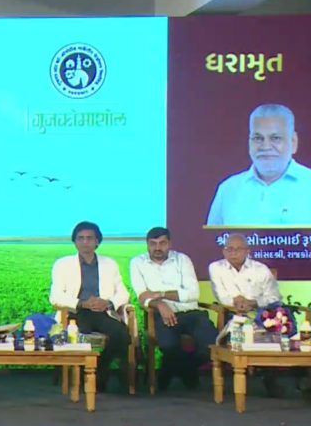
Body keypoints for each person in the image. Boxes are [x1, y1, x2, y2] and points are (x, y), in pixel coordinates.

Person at [129, 227, 217, 390]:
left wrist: (160, 294)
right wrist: (160, 304)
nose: (157, 248)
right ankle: (187, 374)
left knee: (212, 343)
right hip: (159, 314)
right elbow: (143, 296)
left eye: (162, 243)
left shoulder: (182, 260)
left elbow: (193, 294)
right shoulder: (137, 263)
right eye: (153, 243)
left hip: (191, 313)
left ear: (169, 243)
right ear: (147, 244)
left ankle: (172, 371)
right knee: (169, 346)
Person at [49, 221, 131, 393]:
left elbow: (123, 293)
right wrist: (82, 303)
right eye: (80, 238)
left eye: (89, 238)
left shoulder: (109, 264)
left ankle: (99, 371)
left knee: (121, 334)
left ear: (97, 241)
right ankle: (83, 376)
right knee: (82, 336)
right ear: (75, 241)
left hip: (102, 312)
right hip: (76, 313)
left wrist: (108, 303)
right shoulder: (62, 264)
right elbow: (55, 296)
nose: (85, 242)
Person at [208, 233, 292, 397]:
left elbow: (275, 297)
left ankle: (269, 379)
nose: (233, 253)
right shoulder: (216, 267)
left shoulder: (260, 269)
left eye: (238, 249)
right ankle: (237, 380)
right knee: (236, 328)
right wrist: (237, 302)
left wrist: (254, 302)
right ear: (224, 251)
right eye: (229, 249)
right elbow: (220, 295)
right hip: (232, 313)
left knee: (273, 327)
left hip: (260, 313)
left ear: (247, 251)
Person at [206, 104, 311, 226]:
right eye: (258, 138)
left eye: (275, 138)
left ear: (293, 142)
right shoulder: (228, 190)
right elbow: (212, 238)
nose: (265, 147)